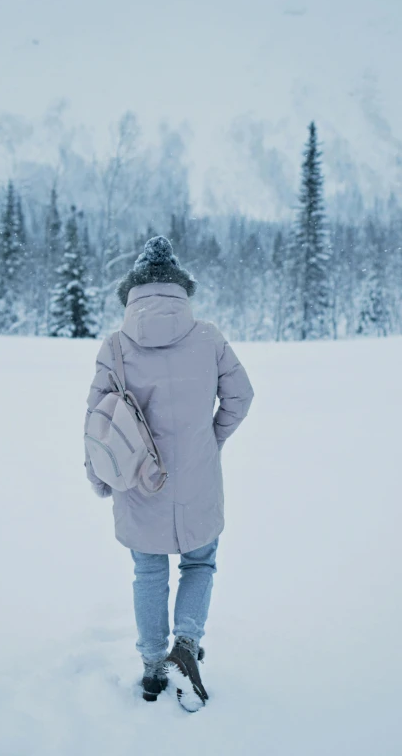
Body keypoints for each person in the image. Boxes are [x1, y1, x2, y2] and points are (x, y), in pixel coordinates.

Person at [84, 235, 254, 712]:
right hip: (198, 478)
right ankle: (186, 644)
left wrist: (98, 474)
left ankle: (154, 666)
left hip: (140, 479)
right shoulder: (209, 337)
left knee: (148, 570)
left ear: (133, 291)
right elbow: (242, 397)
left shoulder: (116, 346)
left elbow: (97, 417)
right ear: (181, 288)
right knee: (200, 562)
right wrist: (211, 438)